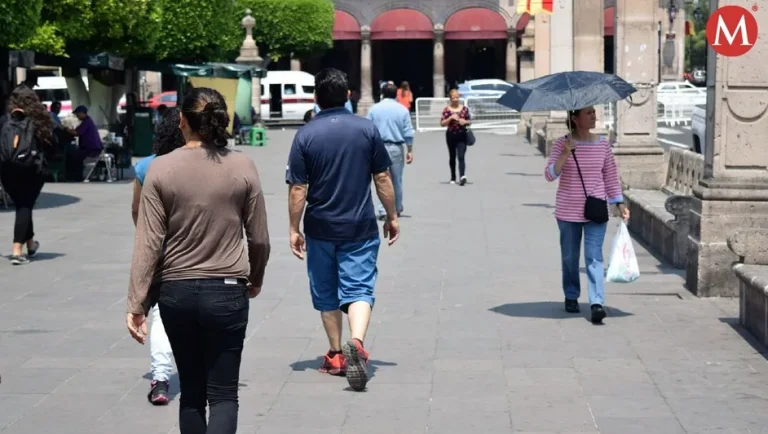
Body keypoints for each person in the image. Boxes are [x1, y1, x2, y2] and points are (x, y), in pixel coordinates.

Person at [126, 87, 270, 433]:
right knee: (223, 395)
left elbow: (148, 242)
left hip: (176, 292)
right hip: (228, 291)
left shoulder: (160, 169)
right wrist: (256, 276)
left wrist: (137, 303)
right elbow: (260, 238)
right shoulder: (242, 166)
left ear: (182, 121)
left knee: (191, 393)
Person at [286, 68, 400, 391]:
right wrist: (391, 216)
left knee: (326, 291)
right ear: (348, 94)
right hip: (359, 225)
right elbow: (382, 179)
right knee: (360, 288)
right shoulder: (367, 130)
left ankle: (336, 353)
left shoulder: (305, 135)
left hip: (320, 227)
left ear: (316, 99)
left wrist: (294, 228)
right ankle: (358, 342)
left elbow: (298, 189)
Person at [543, 106, 629, 324]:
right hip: (567, 210)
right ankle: (571, 295)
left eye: (593, 112)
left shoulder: (602, 145)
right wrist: (564, 154)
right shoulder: (562, 143)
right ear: (575, 118)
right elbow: (550, 175)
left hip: (596, 209)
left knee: (594, 257)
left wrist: (619, 203)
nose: (593, 116)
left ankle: (596, 303)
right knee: (570, 258)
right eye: (588, 113)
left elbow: (610, 176)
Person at [131, 107, 186, 405]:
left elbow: (137, 212)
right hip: (195, 249)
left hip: (160, 250)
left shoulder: (145, 167)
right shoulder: (198, 163)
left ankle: (161, 379)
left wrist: (149, 243)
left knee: (162, 316)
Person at [0, 85, 53, 265]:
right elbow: (52, 144)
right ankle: (17, 250)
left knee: (23, 204)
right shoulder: (39, 121)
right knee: (25, 206)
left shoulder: (3, 121)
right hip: (32, 170)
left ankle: (30, 244)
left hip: (7, 170)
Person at [367, 83, 414, 219]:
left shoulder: (374, 109)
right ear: (396, 95)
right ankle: (397, 208)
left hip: (378, 147)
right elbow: (408, 132)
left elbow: (368, 129)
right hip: (396, 147)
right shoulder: (402, 110)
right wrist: (410, 150)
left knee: (382, 178)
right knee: (397, 179)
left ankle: (383, 210)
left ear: (382, 94)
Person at [63, 105, 104, 181]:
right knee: (75, 155)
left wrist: (65, 129)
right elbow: (76, 130)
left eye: (77, 114)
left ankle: (75, 177)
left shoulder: (87, 121)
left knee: (74, 157)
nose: (77, 116)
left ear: (82, 113)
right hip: (90, 148)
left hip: (92, 149)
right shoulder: (85, 121)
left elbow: (76, 133)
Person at [440, 89, 471, 186]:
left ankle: (462, 176)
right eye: (453, 97)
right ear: (450, 98)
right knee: (452, 156)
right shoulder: (446, 110)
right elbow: (442, 123)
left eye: (457, 97)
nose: (455, 99)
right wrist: (450, 118)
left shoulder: (464, 109)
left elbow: (469, 120)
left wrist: (465, 121)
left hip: (462, 135)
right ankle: (453, 177)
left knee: (461, 156)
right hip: (451, 135)